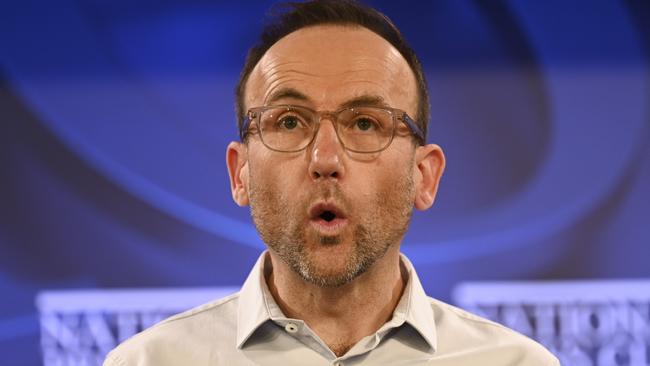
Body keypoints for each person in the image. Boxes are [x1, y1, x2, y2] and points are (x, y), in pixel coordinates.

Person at [104, 1, 560, 365]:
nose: (325, 159)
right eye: (288, 121)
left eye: (364, 123)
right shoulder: (150, 361)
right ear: (239, 172)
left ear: (425, 176)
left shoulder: (515, 363)